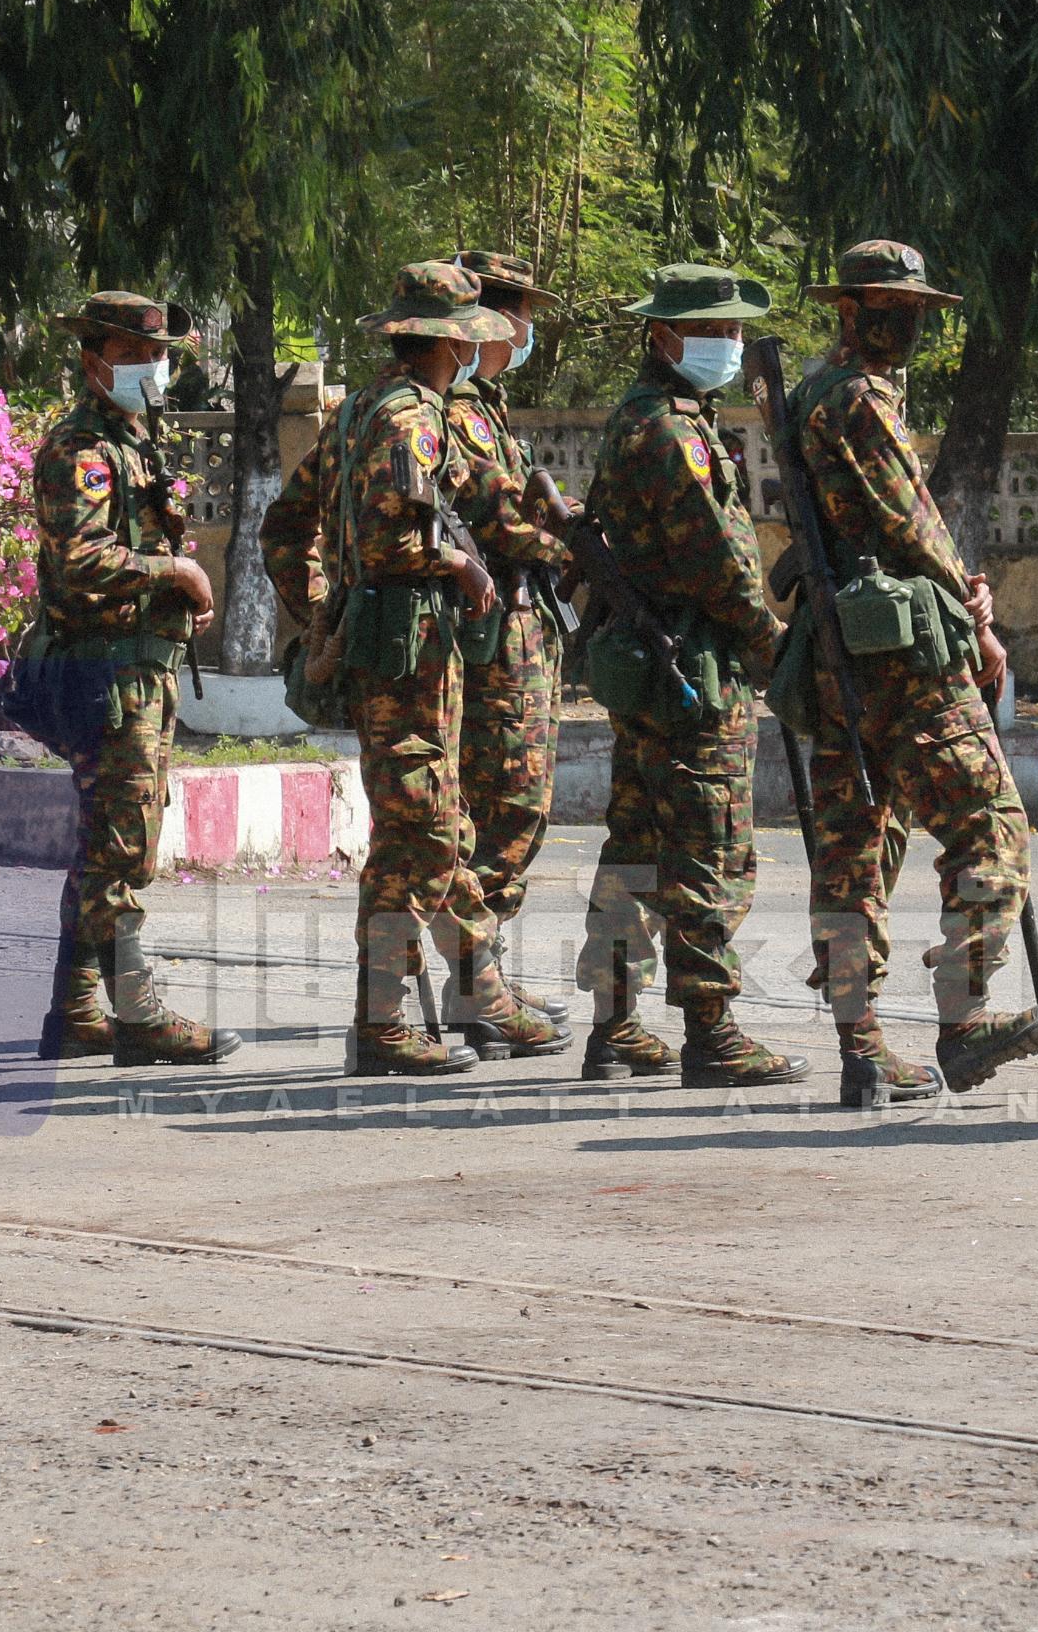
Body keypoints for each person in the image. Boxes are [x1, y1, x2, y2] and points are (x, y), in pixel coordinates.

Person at [785, 240, 1038, 1108]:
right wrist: (973, 606)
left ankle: (861, 1045)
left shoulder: (807, 393)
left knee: (854, 848)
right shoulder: (859, 397)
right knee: (993, 829)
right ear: (848, 309)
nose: (903, 323)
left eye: (913, 310)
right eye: (887, 307)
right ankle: (963, 1016)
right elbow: (913, 525)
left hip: (842, 652)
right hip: (902, 654)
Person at [264, 260, 550, 1078]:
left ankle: (479, 990)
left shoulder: (360, 409)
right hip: (408, 651)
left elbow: (287, 526)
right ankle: (382, 1024)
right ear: (452, 340)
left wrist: (322, 607)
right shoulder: (409, 417)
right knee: (419, 833)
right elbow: (393, 540)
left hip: (403, 646)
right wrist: (456, 569)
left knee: (439, 825)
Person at [569, 264, 804, 1087]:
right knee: (708, 847)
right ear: (663, 335)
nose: (730, 346)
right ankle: (712, 1032)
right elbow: (721, 563)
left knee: (635, 841)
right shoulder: (671, 432)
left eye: (735, 332)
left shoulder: (644, 416)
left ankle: (616, 1024)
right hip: (693, 671)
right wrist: (773, 643)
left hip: (654, 666)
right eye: (716, 332)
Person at [23, 290, 240, 1066]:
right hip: (105, 675)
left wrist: (171, 590)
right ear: (93, 362)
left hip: (140, 670)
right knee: (120, 846)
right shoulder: (81, 447)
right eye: (134, 355)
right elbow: (79, 564)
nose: (152, 367)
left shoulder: (136, 440)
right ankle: (139, 1014)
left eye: (159, 354)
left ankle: (77, 1009)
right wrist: (173, 569)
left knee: (109, 842)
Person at [440, 250, 573, 1042]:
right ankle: (473, 980)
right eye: (516, 310)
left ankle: (485, 973)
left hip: (521, 629)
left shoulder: (484, 407)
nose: (526, 328)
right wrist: (575, 547)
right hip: (491, 637)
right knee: (503, 804)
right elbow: (499, 522)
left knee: (516, 809)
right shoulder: (455, 413)